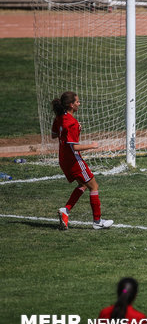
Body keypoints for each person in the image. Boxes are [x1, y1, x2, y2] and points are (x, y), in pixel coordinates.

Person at [51, 91, 113, 230]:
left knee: (83, 185)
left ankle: (65, 211)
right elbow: (75, 146)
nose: (79, 104)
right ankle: (97, 222)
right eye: (77, 102)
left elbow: (54, 135)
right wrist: (92, 145)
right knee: (94, 186)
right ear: (71, 105)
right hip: (74, 161)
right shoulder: (71, 122)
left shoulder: (60, 117)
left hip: (63, 159)